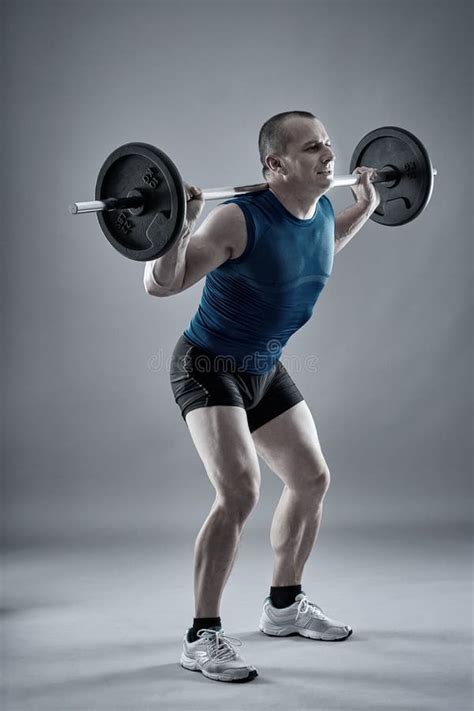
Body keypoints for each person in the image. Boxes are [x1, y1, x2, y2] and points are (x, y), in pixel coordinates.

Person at [144, 111, 380, 683]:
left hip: (261, 367)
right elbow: (160, 284)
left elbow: (320, 245)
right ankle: (202, 637)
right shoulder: (236, 219)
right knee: (240, 492)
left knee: (311, 478)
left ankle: (283, 606)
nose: (328, 155)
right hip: (209, 365)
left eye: (328, 143)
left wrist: (367, 208)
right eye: (311, 149)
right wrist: (176, 226)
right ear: (274, 166)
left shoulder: (321, 208)